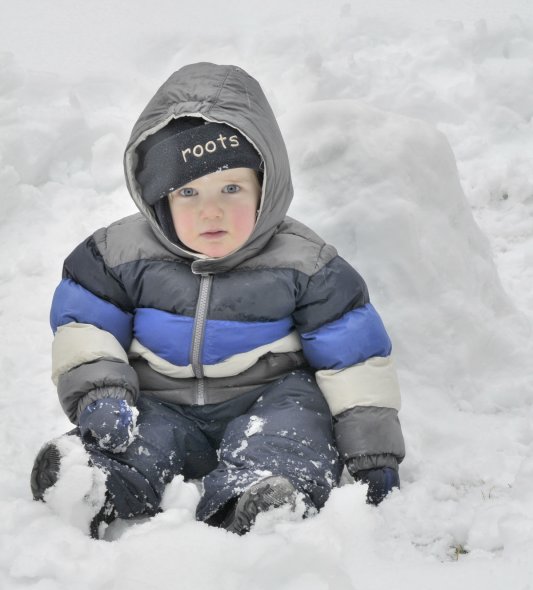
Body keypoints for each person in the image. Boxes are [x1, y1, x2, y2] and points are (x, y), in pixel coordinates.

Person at [31, 62, 405, 538]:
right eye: (188, 191)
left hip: (266, 397)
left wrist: (373, 453)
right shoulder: (118, 255)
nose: (211, 211)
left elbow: (353, 356)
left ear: (265, 188)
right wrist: (100, 393)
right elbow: (86, 328)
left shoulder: (306, 264)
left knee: (295, 430)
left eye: (231, 187)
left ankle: (266, 495)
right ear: (159, 198)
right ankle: (93, 483)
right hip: (160, 398)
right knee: (132, 436)